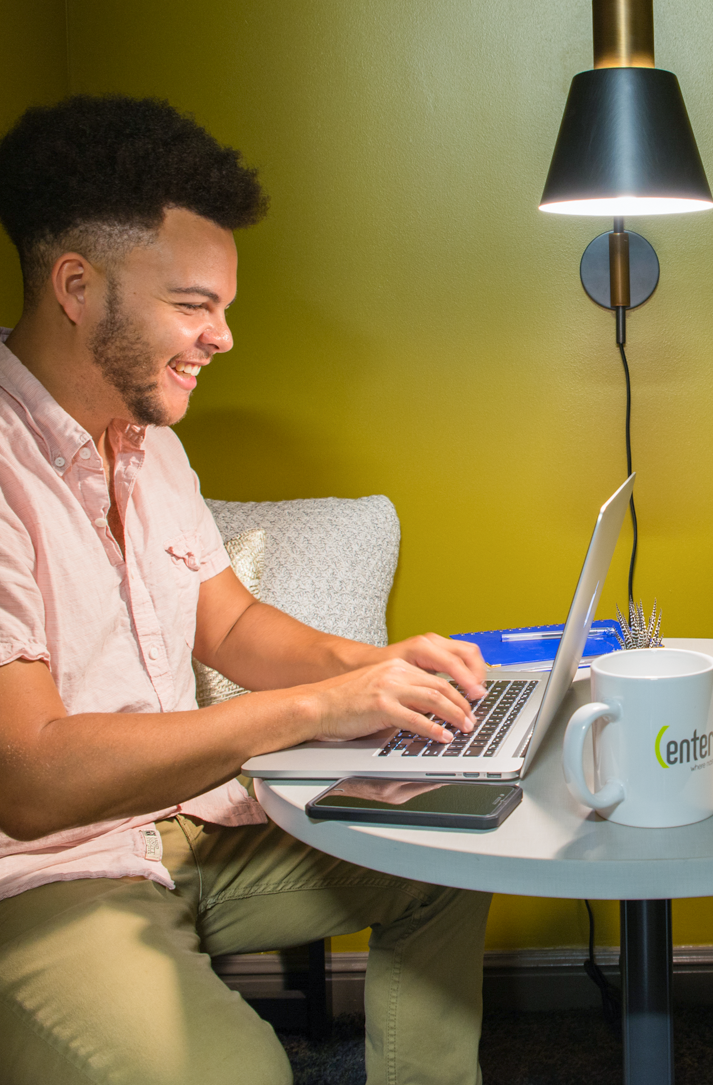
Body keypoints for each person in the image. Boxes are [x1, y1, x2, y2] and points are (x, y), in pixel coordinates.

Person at [0, 95, 492, 1085]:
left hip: (182, 829)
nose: (222, 337)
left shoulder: (151, 446)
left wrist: (380, 667)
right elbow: (31, 779)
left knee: (454, 852)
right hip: (43, 878)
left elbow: (227, 622)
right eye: (194, 305)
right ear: (76, 287)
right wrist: (314, 707)